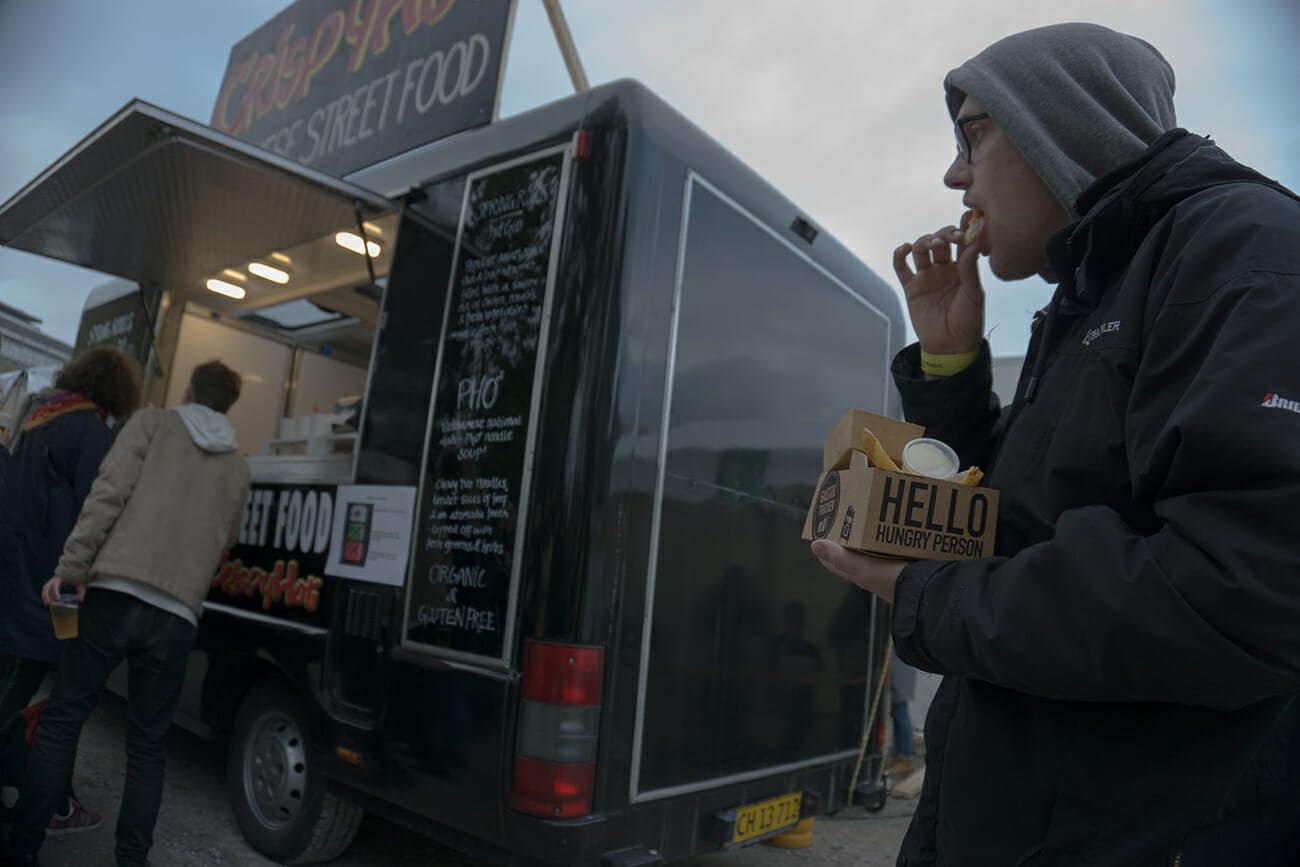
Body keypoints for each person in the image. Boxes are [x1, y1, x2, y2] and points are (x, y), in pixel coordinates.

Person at [810, 22, 1300, 866]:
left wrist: (926, 599)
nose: (953, 175)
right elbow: (1015, 523)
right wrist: (952, 362)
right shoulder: (1087, 291)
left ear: (1058, 125)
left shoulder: (1241, 247)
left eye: (973, 134)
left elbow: (1236, 590)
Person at [2, 360, 250, 867]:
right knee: (147, 745)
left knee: (65, 718)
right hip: (176, 615)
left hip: (114, 593)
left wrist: (71, 568)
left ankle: (23, 846)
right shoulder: (239, 466)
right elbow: (227, 542)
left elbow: (107, 496)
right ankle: (132, 860)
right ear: (230, 405)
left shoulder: (151, 424)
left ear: (188, 388)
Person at [0, 347, 142, 835]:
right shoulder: (92, 432)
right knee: (66, 696)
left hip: (19, 572)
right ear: (116, 390)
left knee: (22, 676)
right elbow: (95, 511)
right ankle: (54, 801)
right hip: (61, 584)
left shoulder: (39, 419)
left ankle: (40, 784)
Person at [885, 655, 917, 779]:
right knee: (897, 713)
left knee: (901, 713)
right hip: (898, 668)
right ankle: (900, 754)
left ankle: (906, 757)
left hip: (900, 670)